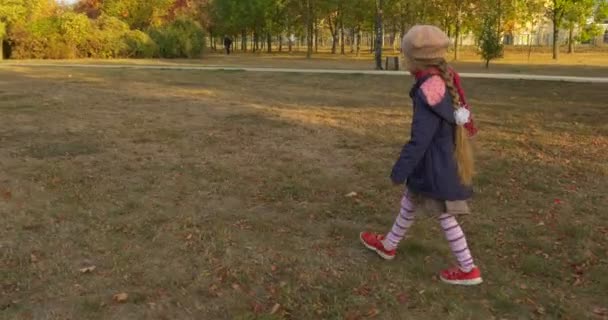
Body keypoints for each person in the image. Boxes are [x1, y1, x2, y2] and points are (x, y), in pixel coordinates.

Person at [359, 25, 482, 286]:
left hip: (433, 165)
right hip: (435, 161)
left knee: (444, 215)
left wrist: (400, 170)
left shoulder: (429, 90)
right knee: (410, 203)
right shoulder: (439, 80)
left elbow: (420, 139)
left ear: (412, 59)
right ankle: (389, 245)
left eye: (404, 55)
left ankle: (468, 268)